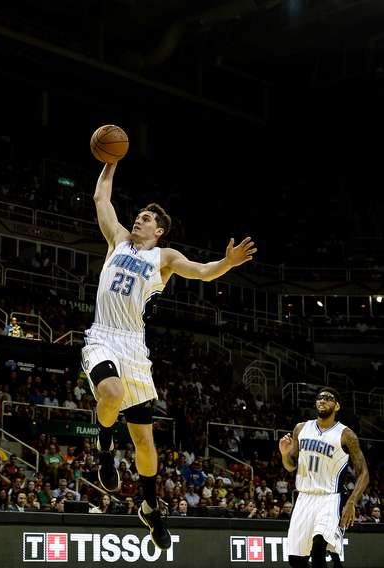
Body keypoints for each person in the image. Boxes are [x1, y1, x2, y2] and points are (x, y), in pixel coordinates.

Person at [82, 161, 257, 550]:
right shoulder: (116, 240)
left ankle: (149, 506)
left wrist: (226, 263)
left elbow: (201, 271)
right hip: (103, 337)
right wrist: (110, 163)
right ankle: (105, 448)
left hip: (134, 347)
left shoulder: (164, 257)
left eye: (145, 219)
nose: (138, 220)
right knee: (109, 394)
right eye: (139, 217)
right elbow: (100, 197)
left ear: (158, 230)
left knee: (145, 443)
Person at [278, 388, 369, 568]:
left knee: (319, 547)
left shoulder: (346, 435)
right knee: (295, 560)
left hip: (329, 499)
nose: (322, 400)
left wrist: (351, 502)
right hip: (304, 497)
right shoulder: (301, 428)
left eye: (328, 398)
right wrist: (284, 454)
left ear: (337, 406)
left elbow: (364, 473)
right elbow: (291, 466)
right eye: (320, 397)